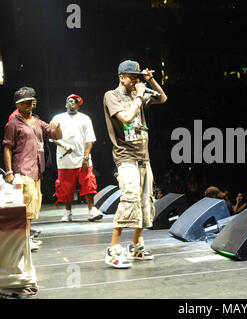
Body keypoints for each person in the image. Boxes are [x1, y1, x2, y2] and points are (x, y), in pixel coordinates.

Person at [103, 60, 167, 268]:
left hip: (143, 157)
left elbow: (163, 98)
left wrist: (151, 80)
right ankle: (113, 250)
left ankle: (136, 246)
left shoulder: (136, 95)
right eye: (133, 78)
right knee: (129, 200)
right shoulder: (111, 96)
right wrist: (139, 96)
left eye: (139, 78)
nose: (136, 82)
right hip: (125, 157)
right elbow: (127, 119)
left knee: (145, 203)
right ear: (122, 77)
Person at [3, 87, 62, 253]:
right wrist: (9, 172)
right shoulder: (13, 124)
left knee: (33, 207)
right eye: (24, 102)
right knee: (27, 208)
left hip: (37, 170)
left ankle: (27, 238)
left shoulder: (37, 121)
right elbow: (7, 148)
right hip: (23, 170)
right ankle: (25, 240)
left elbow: (56, 135)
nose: (28, 104)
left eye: (30, 101)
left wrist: (57, 126)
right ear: (18, 105)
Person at [51, 94, 103, 222]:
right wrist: (64, 144)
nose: (71, 103)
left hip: (82, 158)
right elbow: (52, 137)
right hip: (65, 160)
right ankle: (68, 212)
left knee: (88, 183)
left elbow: (90, 139)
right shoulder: (58, 118)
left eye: (74, 102)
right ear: (65, 104)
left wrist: (86, 157)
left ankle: (92, 210)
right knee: (65, 187)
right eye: (69, 101)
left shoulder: (85, 119)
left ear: (78, 105)